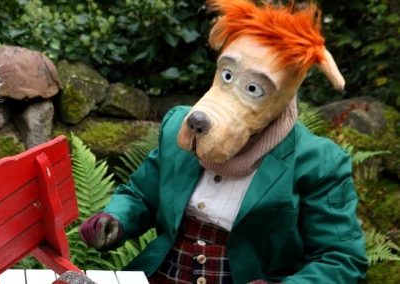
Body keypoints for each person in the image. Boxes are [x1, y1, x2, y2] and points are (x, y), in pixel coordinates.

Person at [79, 1, 368, 283]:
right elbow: (141, 194)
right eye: (227, 74)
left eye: (254, 88)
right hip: (162, 274)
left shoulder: (317, 162)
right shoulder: (177, 128)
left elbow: (340, 258)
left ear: (283, 97)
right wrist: (116, 220)